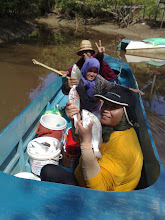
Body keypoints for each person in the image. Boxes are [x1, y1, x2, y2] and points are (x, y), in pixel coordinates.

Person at [40, 86, 143, 191]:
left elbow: (98, 189)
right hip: (93, 171)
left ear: (126, 114)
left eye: (113, 107)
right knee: (80, 152)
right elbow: (89, 139)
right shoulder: (112, 127)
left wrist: (86, 143)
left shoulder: (122, 148)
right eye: (105, 104)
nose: (105, 110)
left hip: (100, 199)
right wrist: (75, 120)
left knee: (48, 171)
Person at [62, 57, 144, 114]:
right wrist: (67, 85)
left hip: (95, 109)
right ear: (85, 69)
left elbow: (115, 87)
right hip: (79, 109)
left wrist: (133, 90)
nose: (92, 74)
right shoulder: (78, 79)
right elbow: (65, 91)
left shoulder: (100, 81)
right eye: (89, 71)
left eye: (95, 72)